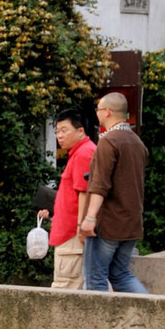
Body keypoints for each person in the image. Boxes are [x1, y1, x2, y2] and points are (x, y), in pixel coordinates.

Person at [79, 90, 149, 294]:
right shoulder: (137, 143)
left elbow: (100, 184)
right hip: (132, 222)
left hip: (108, 223)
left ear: (107, 112)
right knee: (120, 274)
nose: (96, 113)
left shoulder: (109, 141)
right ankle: (150, 312)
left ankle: (97, 325)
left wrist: (90, 218)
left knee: (95, 278)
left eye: (98, 109)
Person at [42, 108, 96, 292]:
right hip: (70, 232)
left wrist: (81, 226)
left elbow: (85, 193)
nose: (59, 136)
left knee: (64, 291)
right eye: (57, 131)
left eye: (64, 130)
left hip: (72, 235)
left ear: (80, 131)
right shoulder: (80, 152)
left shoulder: (83, 154)